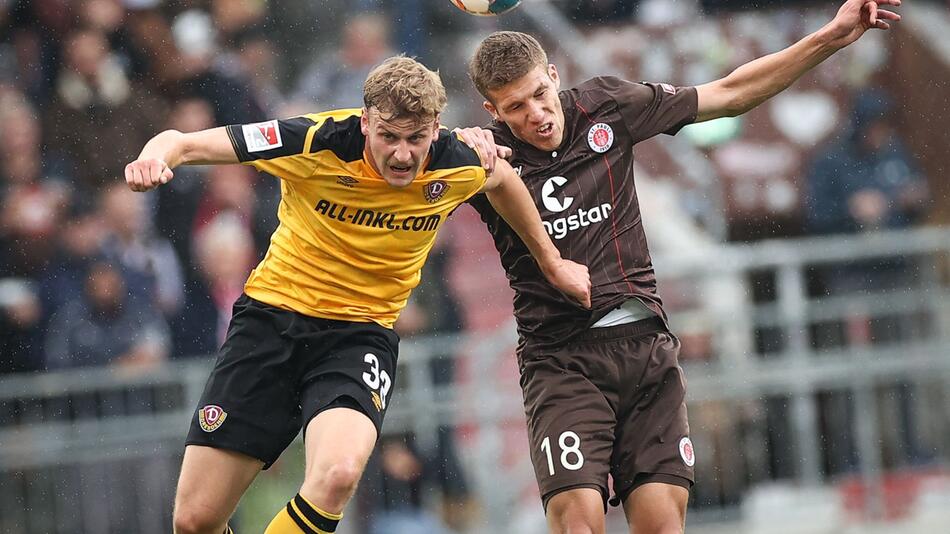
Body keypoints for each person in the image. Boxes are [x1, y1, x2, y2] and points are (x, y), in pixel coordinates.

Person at [457, 0, 902, 532]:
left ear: (555, 76)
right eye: (514, 108)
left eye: (540, 94)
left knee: (662, 526)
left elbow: (730, 93)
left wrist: (832, 35)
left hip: (643, 349)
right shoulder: (480, 158)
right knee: (578, 521)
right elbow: (395, 163)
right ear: (491, 111)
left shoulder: (606, 105)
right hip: (560, 359)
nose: (536, 114)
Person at [124, 55, 591, 534]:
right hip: (270, 323)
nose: (403, 154)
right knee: (195, 520)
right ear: (365, 122)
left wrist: (552, 263)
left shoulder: (458, 159)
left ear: (436, 128)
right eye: (389, 136)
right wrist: (155, 157)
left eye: (416, 138)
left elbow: (503, 181)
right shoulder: (312, 140)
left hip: (358, 338)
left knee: (339, 473)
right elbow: (182, 143)